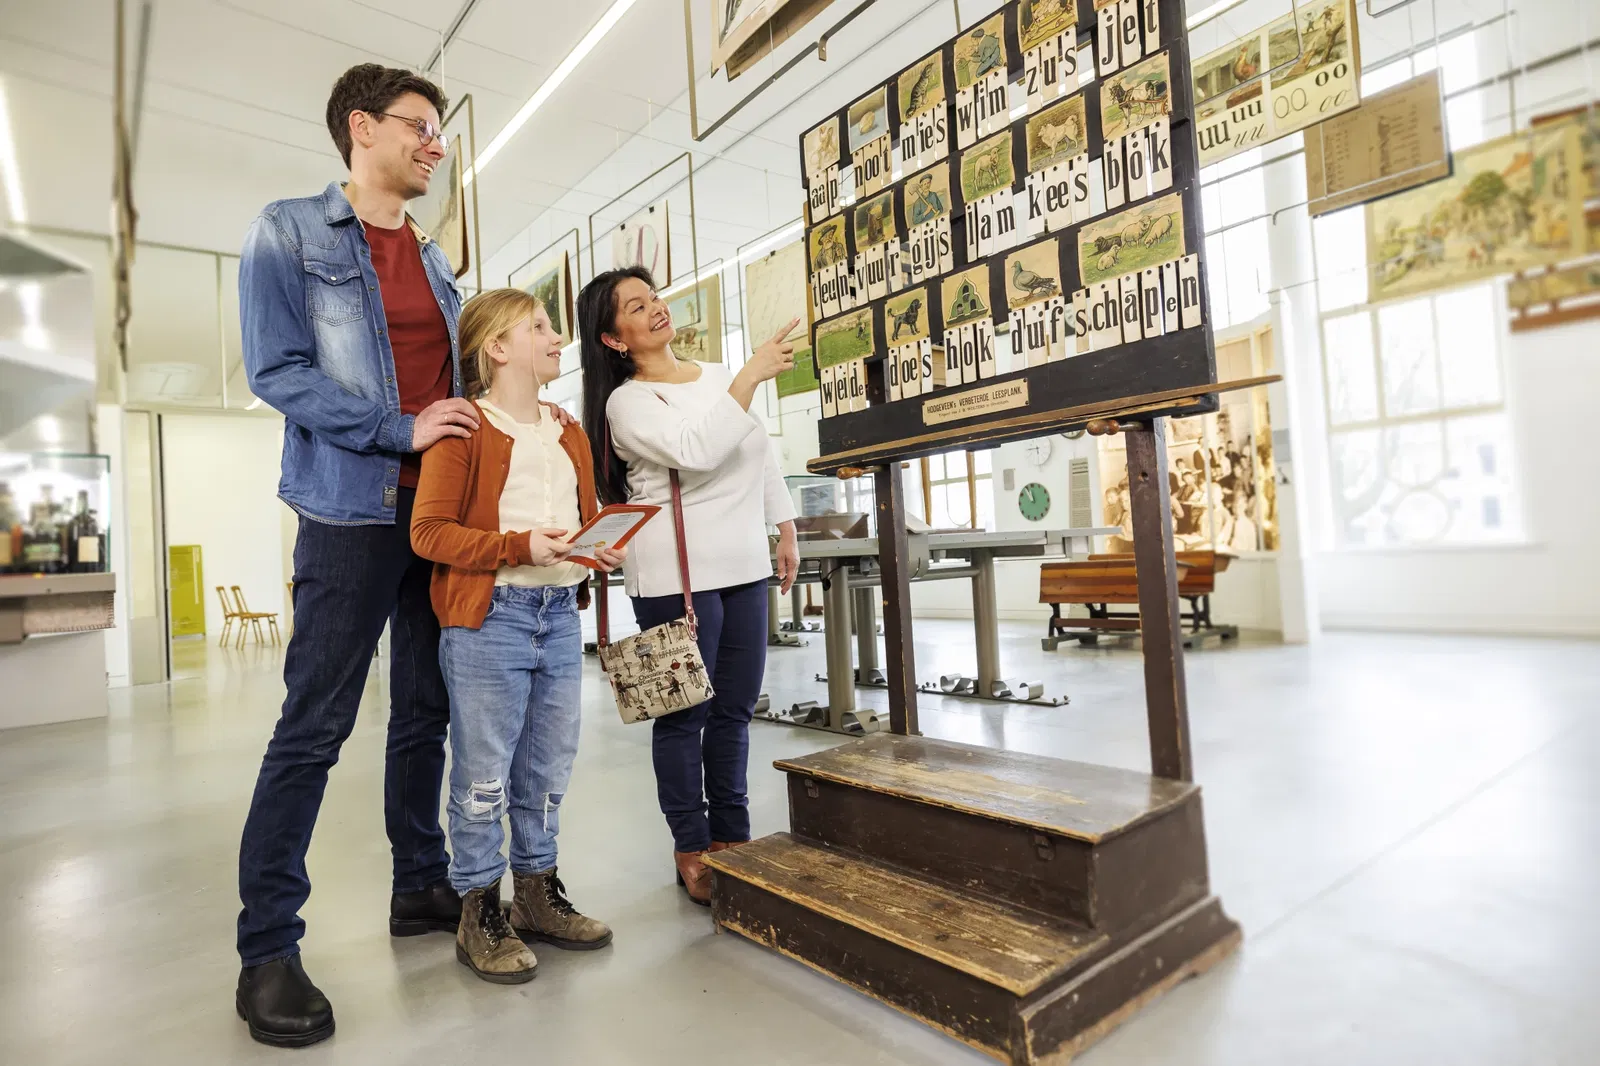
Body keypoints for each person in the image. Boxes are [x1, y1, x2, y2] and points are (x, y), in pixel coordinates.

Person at [234, 64, 572, 1047]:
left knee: (425, 712)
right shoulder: (288, 231)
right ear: (361, 128)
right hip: (348, 515)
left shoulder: (433, 261)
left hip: (441, 519)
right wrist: (399, 428)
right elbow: (278, 370)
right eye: (420, 128)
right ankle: (267, 947)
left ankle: (420, 883)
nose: (436, 146)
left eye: (440, 132)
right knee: (315, 724)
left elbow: (462, 386)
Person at [411, 289, 623, 983]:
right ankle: (480, 910)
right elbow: (429, 533)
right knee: (482, 776)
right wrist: (518, 545)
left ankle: (535, 896)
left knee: (546, 769)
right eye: (538, 327)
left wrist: (598, 548)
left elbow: (579, 521)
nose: (557, 337)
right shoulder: (464, 427)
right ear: (496, 349)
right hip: (489, 621)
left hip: (560, 616)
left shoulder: (569, 431)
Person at [577, 267, 800, 905]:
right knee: (683, 716)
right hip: (674, 574)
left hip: (742, 567)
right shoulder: (628, 402)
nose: (654, 310)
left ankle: (733, 833)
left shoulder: (716, 374)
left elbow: (758, 451)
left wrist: (783, 527)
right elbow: (699, 449)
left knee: (734, 710)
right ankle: (690, 843)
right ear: (614, 339)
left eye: (654, 298)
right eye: (634, 307)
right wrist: (751, 375)